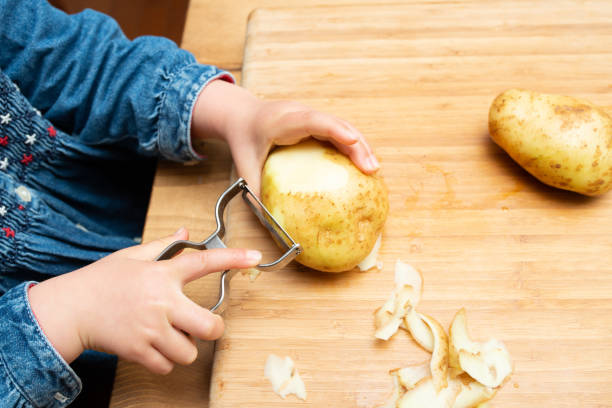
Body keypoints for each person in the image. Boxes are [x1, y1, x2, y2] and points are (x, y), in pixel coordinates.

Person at [0, 0, 379, 406]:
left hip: (139, 186)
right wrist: (68, 316)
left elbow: (69, 60)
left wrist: (234, 111)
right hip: (95, 375)